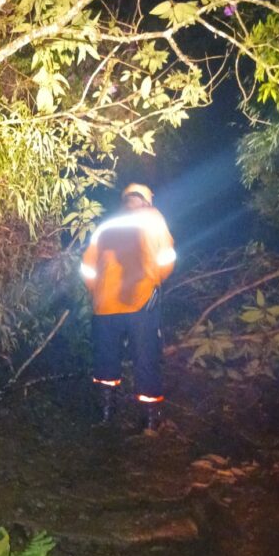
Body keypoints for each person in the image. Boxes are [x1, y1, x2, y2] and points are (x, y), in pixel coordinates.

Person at [79, 183, 176, 431]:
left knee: (105, 357)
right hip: (140, 302)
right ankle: (150, 420)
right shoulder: (152, 218)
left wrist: (98, 292)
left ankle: (105, 413)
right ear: (146, 200)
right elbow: (166, 259)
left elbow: (87, 267)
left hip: (104, 305)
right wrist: (154, 282)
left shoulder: (107, 224)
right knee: (145, 357)